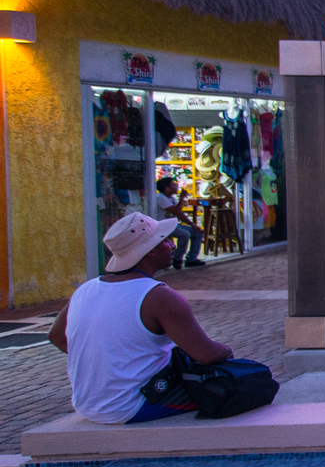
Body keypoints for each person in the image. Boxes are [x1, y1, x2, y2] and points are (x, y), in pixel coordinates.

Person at [47, 213, 232, 424]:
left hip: (86, 404)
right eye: (166, 240)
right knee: (237, 385)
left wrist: (108, 362)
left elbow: (56, 337)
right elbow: (207, 355)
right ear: (150, 250)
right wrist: (227, 350)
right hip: (133, 405)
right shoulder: (159, 296)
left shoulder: (85, 289)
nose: (173, 245)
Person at [150, 177, 204, 268]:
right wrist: (182, 197)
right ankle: (177, 258)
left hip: (172, 224)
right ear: (167, 188)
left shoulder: (171, 198)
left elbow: (180, 214)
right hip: (163, 225)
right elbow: (177, 211)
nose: (177, 187)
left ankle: (191, 258)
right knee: (184, 234)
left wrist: (192, 225)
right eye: (174, 185)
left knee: (198, 232)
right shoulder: (161, 198)